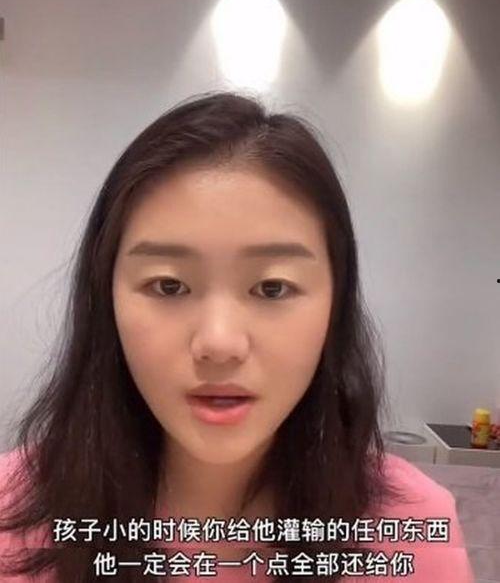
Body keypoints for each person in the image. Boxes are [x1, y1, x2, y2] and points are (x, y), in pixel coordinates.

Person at [0, 91, 474, 582]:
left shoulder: (412, 532)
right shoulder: (11, 517)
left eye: (272, 288)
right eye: (169, 286)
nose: (220, 343)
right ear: (106, 300)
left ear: (335, 305)